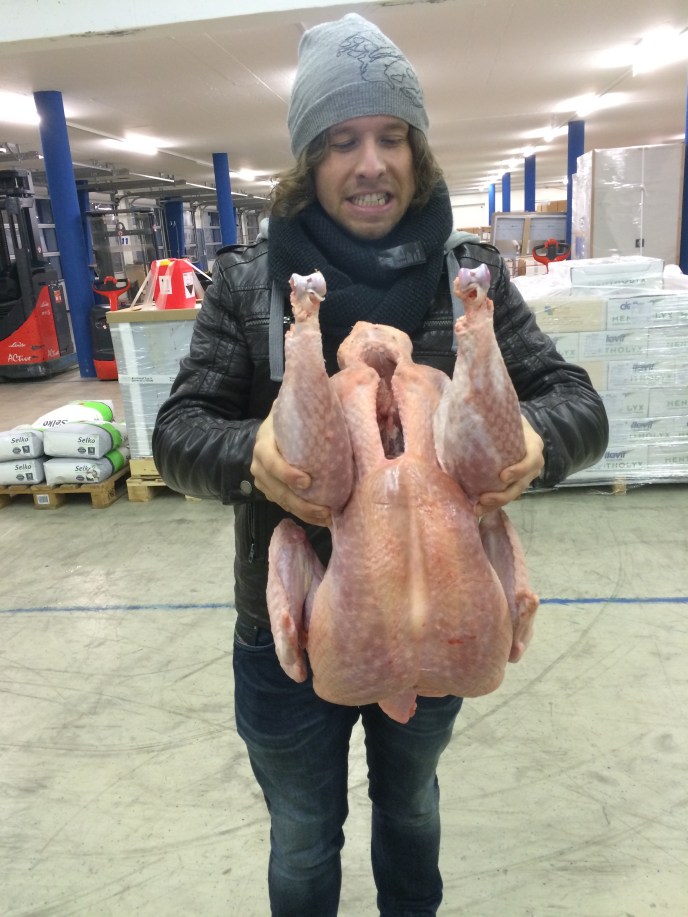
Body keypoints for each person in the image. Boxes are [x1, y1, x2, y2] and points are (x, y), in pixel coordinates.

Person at [152, 13, 608, 916]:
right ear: (308, 160)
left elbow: (576, 402)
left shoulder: (466, 275)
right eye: (342, 140)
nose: (371, 163)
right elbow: (177, 432)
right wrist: (252, 453)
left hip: (439, 618)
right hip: (289, 630)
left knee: (412, 808)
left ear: (418, 151)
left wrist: (534, 441)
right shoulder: (249, 283)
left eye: (392, 136)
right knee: (301, 833)